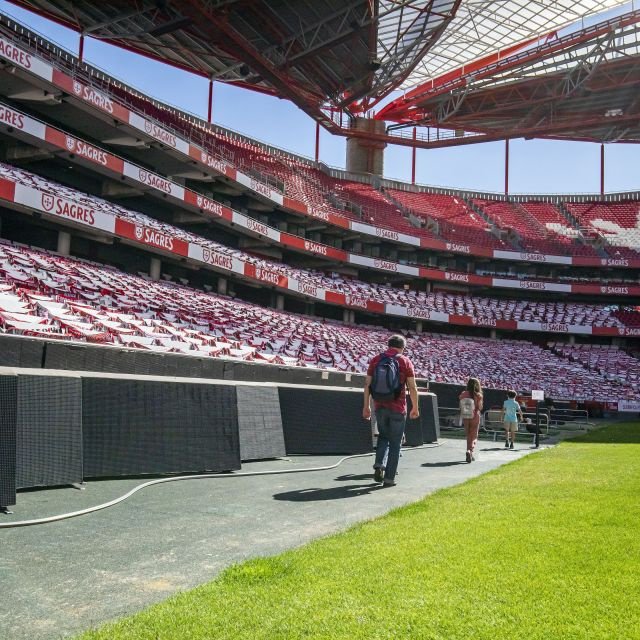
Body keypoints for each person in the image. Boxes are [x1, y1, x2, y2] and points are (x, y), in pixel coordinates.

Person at [363, 335, 419, 487]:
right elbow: (412, 387)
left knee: (383, 437)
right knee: (395, 444)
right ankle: (389, 479)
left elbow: (367, 384)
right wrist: (415, 407)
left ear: (388, 345)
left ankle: (379, 464)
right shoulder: (405, 361)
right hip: (398, 408)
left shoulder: (375, 360)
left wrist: (366, 406)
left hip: (379, 406)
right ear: (403, 347)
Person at [459, 377, 483, 463]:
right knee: (474, 436)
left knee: (468, 435)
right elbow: (480, 408)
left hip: (466, 416)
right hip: (475, 416)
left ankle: (468, 451)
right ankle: (470, 451)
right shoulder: (478, 395)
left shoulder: (463, 394)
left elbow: (460, 405)